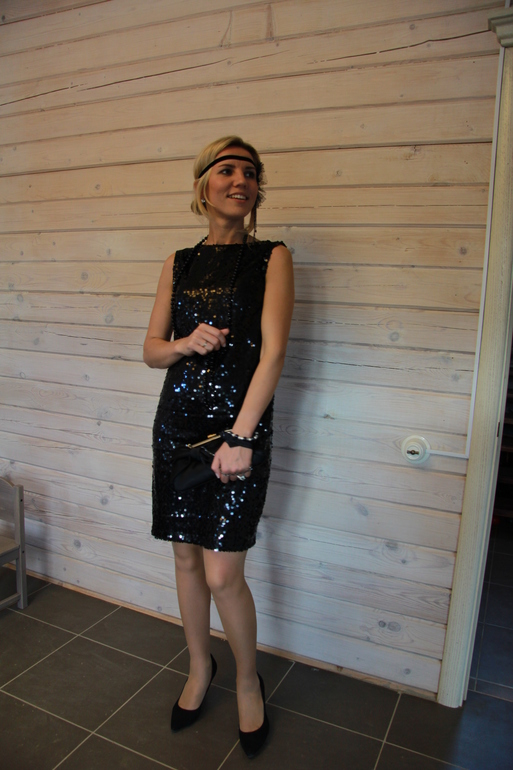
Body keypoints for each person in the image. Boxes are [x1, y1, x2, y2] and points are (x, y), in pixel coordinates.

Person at [143, 135, 294, 758]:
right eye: (227, 170)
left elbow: (274, 352)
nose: (241, 181)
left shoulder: (271, 257)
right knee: (185, 559)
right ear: (203, 184)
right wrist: (185, 343)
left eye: (250, 173)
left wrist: (240, 436)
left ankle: (248, 682)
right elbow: (152, 350)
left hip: (238, 432)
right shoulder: (178, 262)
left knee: (223, 571)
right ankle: (199, 667)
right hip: (177, 427)